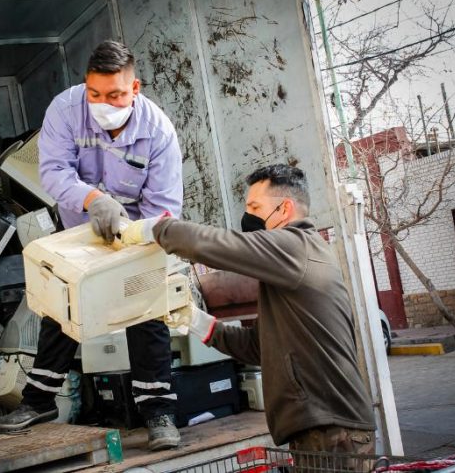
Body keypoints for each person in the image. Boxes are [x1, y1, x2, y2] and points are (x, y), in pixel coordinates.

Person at [0, 40, 184, 451]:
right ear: (85, 85)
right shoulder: (65, 110)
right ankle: (39, 401)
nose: (103, 103)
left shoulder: (159, 133)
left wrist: (131, 238)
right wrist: (95, 201)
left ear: (135, 89)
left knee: (145, 312)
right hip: (80, 226)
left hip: (136, 233)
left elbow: (165, 207)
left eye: (115, 94)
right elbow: (53, 172)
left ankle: (158, 413)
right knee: (61, 307)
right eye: (95, 94)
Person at [120, 164, 376, 461]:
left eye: (255, 206)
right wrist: (195, 321)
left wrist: (152, 228)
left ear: (285, 209)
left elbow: (216, 244)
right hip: (322, 427)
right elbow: (258, 348)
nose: (248, 216)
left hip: (334, 429)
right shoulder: (290, 264)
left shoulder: (296, 247)